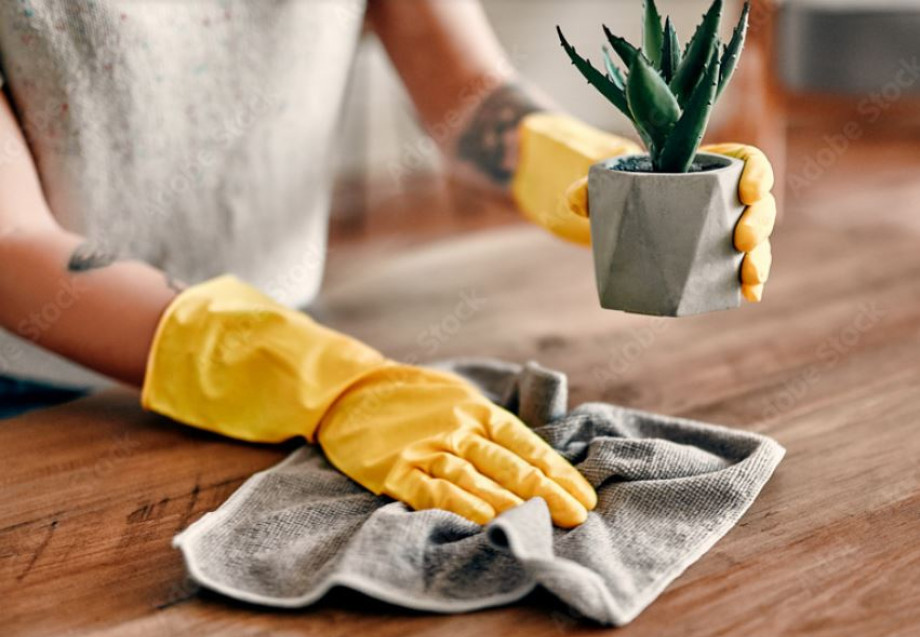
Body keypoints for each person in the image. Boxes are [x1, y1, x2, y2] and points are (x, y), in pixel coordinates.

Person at [0, 1, 774, 527]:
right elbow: (11, 241)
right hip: (42, 401)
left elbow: (464, 93)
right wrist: (325, 379)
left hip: (288, 370)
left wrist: (594, 171)